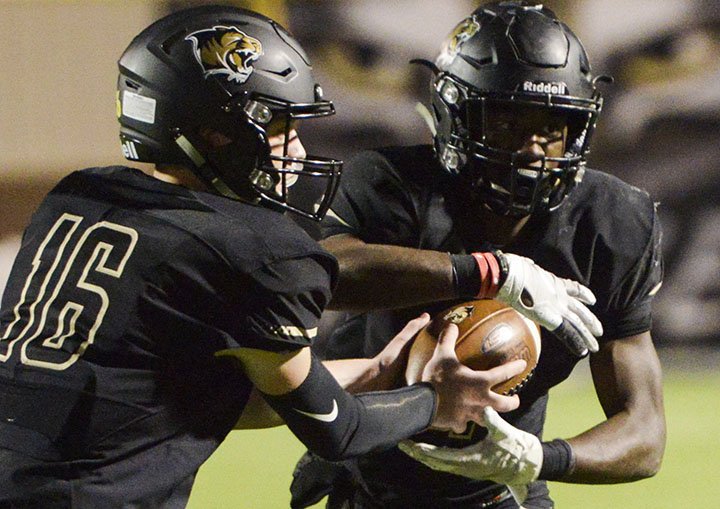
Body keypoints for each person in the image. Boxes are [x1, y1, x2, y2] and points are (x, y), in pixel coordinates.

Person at [0, 6, 538, 508]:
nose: (298, 150)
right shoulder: (251, 248)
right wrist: (433, 400)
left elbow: (218, 401)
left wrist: (375, 372)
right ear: (217, 133)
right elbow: (337, 430)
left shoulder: (78, 199)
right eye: (282, 126)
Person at [290, 2, 665, 508]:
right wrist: (491, 273)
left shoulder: (610, 219)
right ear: (454, 114)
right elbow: (324, 273)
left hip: (501, 488)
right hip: (373, 481)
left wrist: (538, 457)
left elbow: (645, 432)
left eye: (552, 126)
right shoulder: (394, 185)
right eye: (509, 121)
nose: (534, 150)